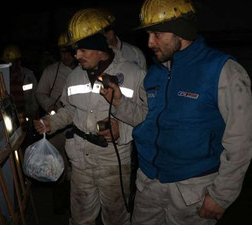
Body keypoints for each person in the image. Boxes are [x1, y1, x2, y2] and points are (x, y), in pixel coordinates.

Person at [100, 0, 252, 224]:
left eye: (157, 34)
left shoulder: (223, 70)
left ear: (182, 31)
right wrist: (120, 101)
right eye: (148, 34)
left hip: (193, 189)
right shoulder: (155, 73)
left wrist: (222, 195)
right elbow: (146, 118)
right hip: (148, 183)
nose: (150, 42)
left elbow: (241, 140)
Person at [34, 8, 146, 225]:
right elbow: (70, 109)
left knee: (116, 219)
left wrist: (121, 130)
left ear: (100, 49)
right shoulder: (75, 75)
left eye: (83, 50)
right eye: (76, 50)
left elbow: (146, 117)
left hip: (113, 161)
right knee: (80, 218)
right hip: (80, 160)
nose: (77, 56)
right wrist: (52, 122)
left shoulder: (133, 74)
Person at [35, 32, 78, 214]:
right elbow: (40, 93)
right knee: (57, 164)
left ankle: (75, 202)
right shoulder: (51, 71)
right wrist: (50, 106)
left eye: (69, 51)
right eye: (63, 52)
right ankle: (58, 203)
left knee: (75, 167)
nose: (66, 55)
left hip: (77, 127)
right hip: (56, 125)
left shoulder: (84, 71)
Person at [2, 44, 40, 145]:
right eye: (8, 63)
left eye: (12, 62)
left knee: (28, 142)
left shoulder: (27, 75)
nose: (10, 66)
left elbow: (35, 95)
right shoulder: (1, 77)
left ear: (18, 61)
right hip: (9, 118)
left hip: (26, 115)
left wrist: (33, 113)